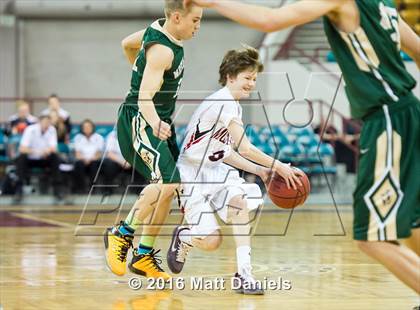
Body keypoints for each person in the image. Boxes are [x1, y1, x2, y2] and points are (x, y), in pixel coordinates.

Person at [186, 0, 420, 293]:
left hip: (386, 117)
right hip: (410, 112)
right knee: (410, 222)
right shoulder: (383, 4)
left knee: (370, 237)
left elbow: (271, 20)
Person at [166, 46, 303, 294]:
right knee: (212, 241)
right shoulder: (223, 102)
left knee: (241, 203)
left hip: (217, 169)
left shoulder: (233, 106)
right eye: (247, 78)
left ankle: (244, 274)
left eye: (254, 79)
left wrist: (261, 171)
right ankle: (185, 236)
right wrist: (278, 166)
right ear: (231, 76)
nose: (251, 84)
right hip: (191, 174)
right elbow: (246, 148)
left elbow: (227, 153)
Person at [104, 0, 203, 279]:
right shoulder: (161, 51)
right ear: (176, 17)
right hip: (140, 119)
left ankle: (144, 255)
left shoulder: (156, 29)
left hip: (157, 119)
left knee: (170, 188)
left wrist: (139, 70)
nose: (198, 26)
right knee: (165, 182)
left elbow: (127, 44)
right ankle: (121, 234)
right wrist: (155, 120)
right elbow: (143, 97)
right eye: (195, 20)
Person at [14, 115, 61, 203]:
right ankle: (19, 189)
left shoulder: (52, 129)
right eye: (45, 122)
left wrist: (47, 150)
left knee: (55, 157)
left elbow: (54, 148)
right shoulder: (30, 129)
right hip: (30, 159)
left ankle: (57, 189)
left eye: (48, 122)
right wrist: (37, 152)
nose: (46, 124)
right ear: (39, 122)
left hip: (44, 159)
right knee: (21, 158)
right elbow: (22, 148)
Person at [101, 129, 145, 196]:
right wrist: (122, 162)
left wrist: (130, 161)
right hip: (117, 162)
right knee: (108, 165)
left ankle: (138, 190)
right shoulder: (112, 136)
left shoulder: (135, 134)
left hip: (131, 161)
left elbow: (139, 151)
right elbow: (109, 153)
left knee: (140, 164)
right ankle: (108, 190)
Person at [72, 119, 104, 193]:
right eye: (85, 127)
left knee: (94, 165)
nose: (87, 128)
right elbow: (77, 154)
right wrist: (85, 159)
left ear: (92, 127)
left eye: (89, 126)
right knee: (78, 164)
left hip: (94, 160)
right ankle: (81, 188)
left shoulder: (98, 137)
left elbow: (99, 153)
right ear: (82, 128)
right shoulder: (78, 137)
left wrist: (91, 159)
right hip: (82, 160)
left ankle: (93, 189)